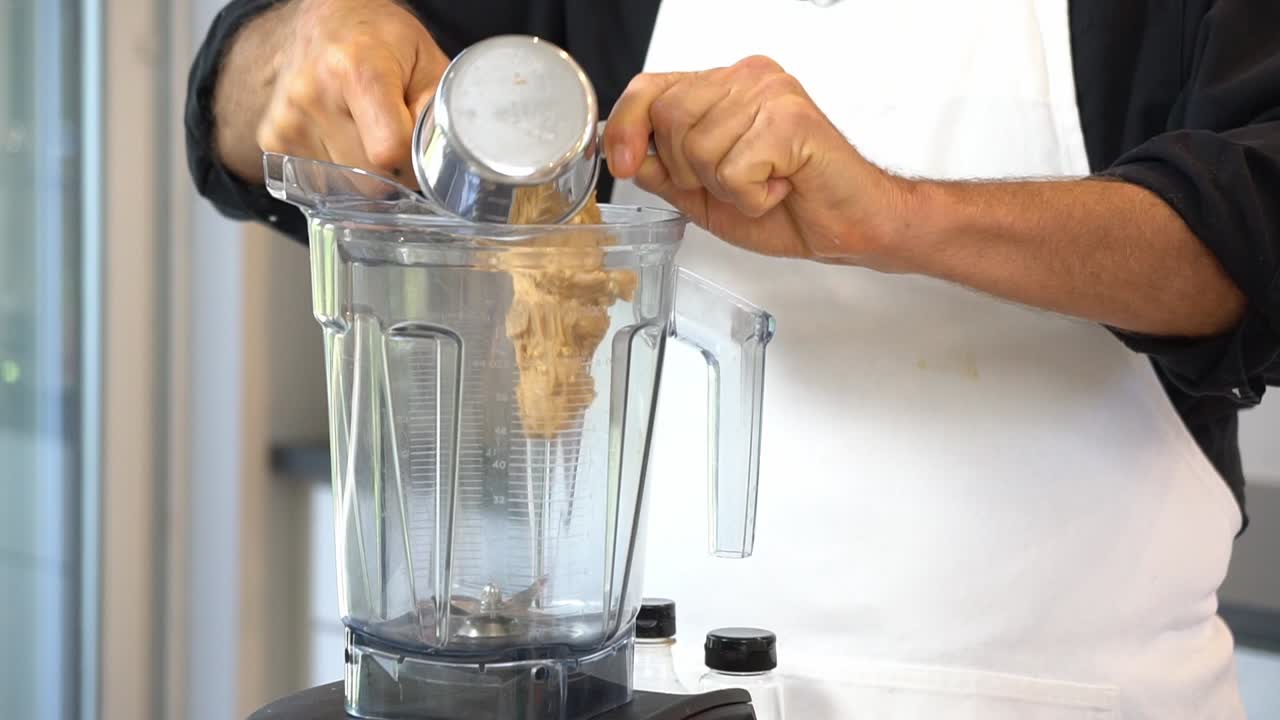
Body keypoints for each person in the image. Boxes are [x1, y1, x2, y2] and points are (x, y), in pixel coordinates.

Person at [187, 0, 1280, 716]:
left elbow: (1254, 228)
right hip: (641, 695)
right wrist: (292, 54)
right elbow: (239, 116)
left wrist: (896, 217)